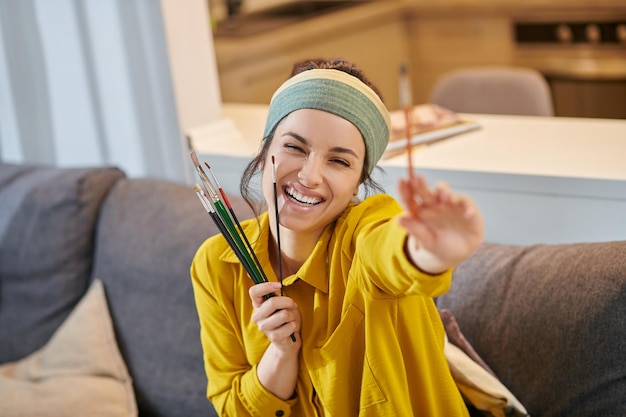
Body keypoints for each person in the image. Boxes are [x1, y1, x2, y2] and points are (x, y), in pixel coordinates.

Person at [190, 58, 484, 416]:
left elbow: (394, 254)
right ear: (266, 150)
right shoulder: (215, 263)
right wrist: (281, 353)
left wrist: (429, 252)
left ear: (358, 182)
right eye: (295, 148)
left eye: (339, 162)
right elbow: (233, 408)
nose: (310, 175)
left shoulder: (366, 229)